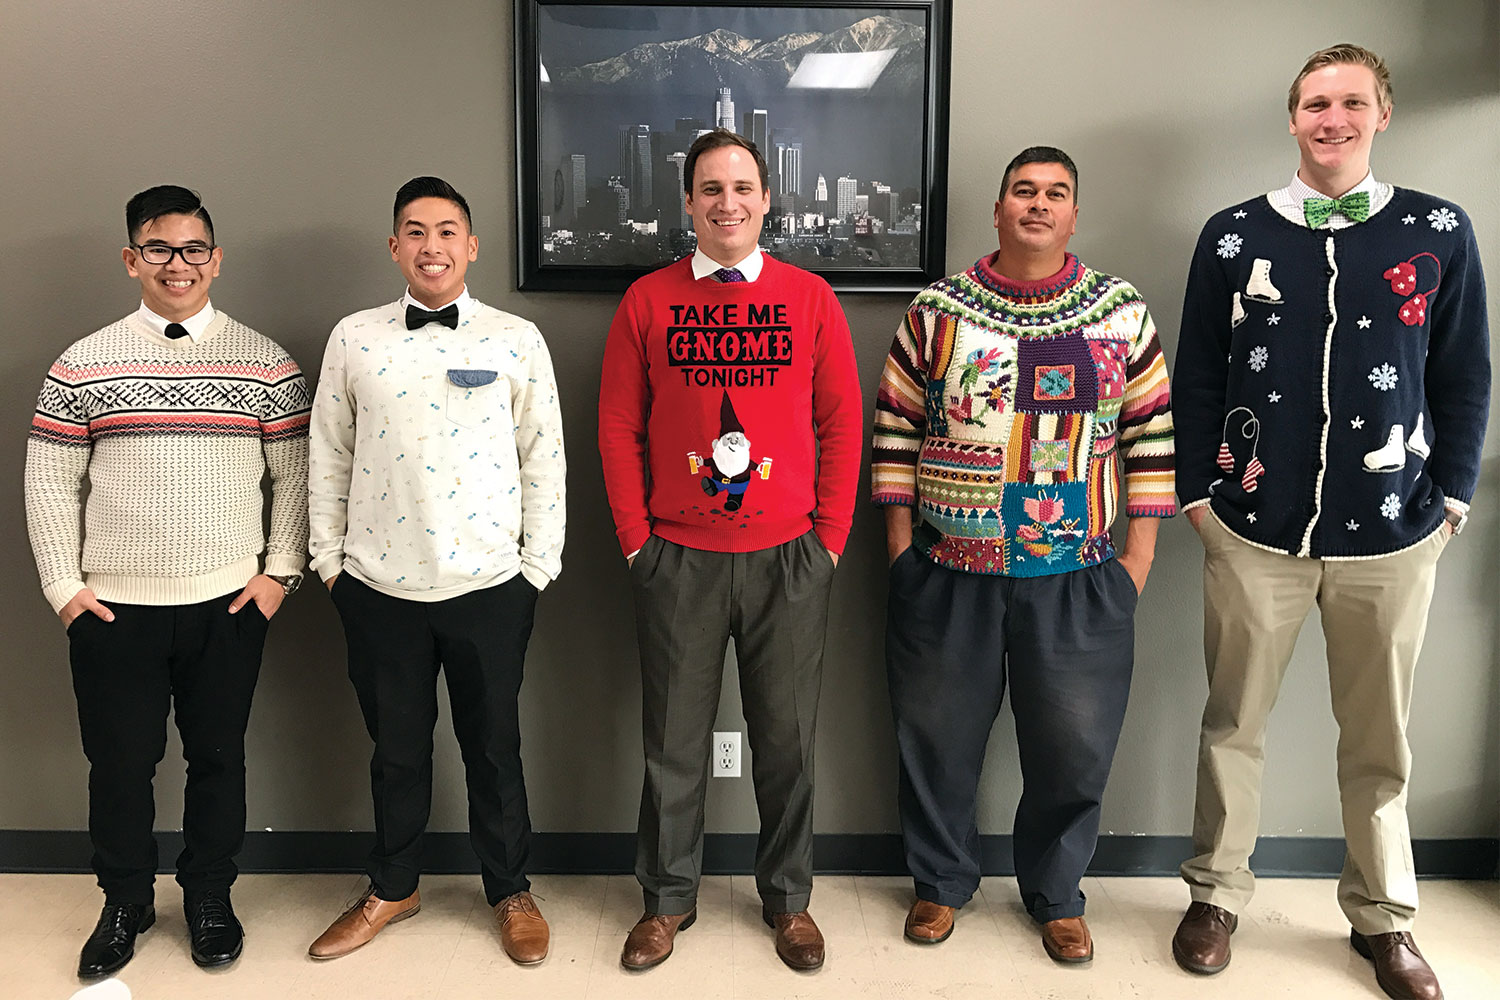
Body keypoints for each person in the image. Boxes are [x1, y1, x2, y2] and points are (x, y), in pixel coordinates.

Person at [1170, 44, 1489, 1000]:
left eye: (1352, 102)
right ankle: (1217, 894)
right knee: (1233, 722)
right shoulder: (1233, 237)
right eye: (1316, 103)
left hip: (1396, 531)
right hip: (1252, 530)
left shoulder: (1439, 230)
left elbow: (1463, 373)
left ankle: (1385, 919)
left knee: (1379, 737)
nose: (1332, 118)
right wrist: (1199, 495)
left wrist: (1454, 498)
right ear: (1295, 118)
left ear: (1381, 115)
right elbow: (1198, 373)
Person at [871, 146, 1176, 963]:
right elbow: (896, 431)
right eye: (1023, 192)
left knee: (1073, 748)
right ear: (998, 210)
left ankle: (1057, 894)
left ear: (1075, 215)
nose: (1038, 205)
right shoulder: (938, 310)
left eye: (1056, 194)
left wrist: (1134, 568)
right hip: (947, 575)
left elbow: (1151, 443)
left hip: (1079, 579)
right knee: (936, 739)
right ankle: (940, 884)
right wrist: (903, 552)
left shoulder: (1120, 311)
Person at [24, 185, 310, 979]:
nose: (176, 264)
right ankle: (123, 902)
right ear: (131, 260)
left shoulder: (265, 362)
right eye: (159, 249)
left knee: (219, 758)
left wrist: (278, 575)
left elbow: (293, 478)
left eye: (192, 250)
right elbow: (49, 480)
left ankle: (210, 899)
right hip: (114, 609)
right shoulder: (83, 364)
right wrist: (63, 589)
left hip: (228, 604)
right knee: (120, 765)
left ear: (215, 259)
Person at [598, 129, 862, 972]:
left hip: (791, 556)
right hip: (676, 556)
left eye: (742, 187)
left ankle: (789, 901)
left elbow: (840, 422)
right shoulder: (648, 301)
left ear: (766, 198)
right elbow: (618, 425)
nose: (728, 202)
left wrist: (828, 540)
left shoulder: (810, 298)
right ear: (687, 203)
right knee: (671, 741)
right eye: (710, 188)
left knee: (787, 740)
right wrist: (638, 541)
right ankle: (667, 902)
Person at [306, 176, 566, 965]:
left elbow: (542, 458)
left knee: (493, 747)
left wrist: (537, 570)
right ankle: (394, 886)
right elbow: (328, 453)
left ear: (471, 246)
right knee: (396, 749)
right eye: (415, 232)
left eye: (447, 231)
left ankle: (510, 889)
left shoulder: (515, 338)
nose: (431, 246)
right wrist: (327, 564)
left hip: (491, 585)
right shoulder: (354, 337)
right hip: (378, 585)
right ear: (394, 247)